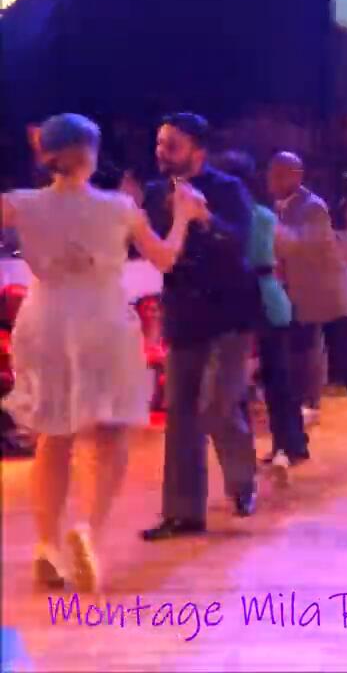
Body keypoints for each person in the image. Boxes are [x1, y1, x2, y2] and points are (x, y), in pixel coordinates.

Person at [4, 114, 204, 590]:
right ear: (91, 154)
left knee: (54, 435)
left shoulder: (21, 203)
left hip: (47, 318)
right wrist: (183, 216)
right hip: (102, 320)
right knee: (111, 433)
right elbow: (164, 259)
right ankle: (88, 531)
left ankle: (48, 545)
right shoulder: (119, 207)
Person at [139, 112, 262, 541]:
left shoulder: (228, 189)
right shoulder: (156, 194)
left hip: (230, 312)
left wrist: (203, 217)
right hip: (184, 311)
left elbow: (239, 243)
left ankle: (243, 482)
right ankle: (183, 514)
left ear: (197, 150)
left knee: (217, 406)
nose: (162, 152)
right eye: (159, 143)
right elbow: (158, 247)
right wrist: (175, 217)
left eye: (172, 144)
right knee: (181, 413)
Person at [269, 152, 347, 464]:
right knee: (292, 374)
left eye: (281, 174)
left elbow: (298, 245)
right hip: (301, 301)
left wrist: (268, 227)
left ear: (297, 176)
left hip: (332, 301)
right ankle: (292, 444)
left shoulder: (313, 207)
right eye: (271, 173)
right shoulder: (281, 207)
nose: (273, 180)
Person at [214, 151, 308, 474]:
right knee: (275, 376)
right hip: (267, 295)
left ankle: (273, 448)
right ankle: (289, 445)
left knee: (252, 379)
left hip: (248, 299)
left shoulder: (226, 219)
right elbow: (291, 246)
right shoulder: (264, 215)